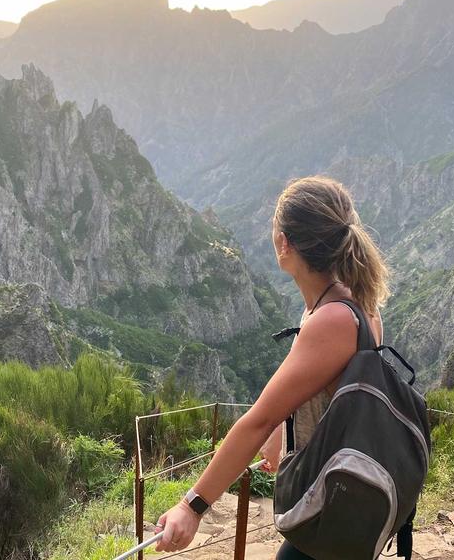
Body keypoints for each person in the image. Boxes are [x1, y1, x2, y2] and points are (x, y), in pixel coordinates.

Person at [154, 175, 390, 559]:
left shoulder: (332, 319)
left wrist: (191, 506)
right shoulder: (351, 303)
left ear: (284, 244)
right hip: (346, 498)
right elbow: (327, 392)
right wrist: (285, 431)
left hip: (332, 511)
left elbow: (256, 420)